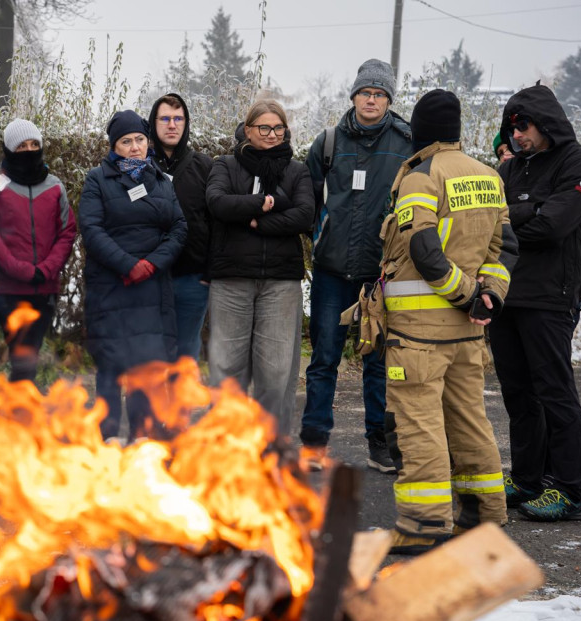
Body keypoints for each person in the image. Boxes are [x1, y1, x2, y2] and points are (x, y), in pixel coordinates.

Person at [380, 89, 517, 554]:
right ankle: (483, 518)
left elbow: (422, 248)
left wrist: (464, 296)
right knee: (470, 423)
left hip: (418, 335)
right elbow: (505, 250)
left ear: (420, 130)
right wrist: (488, 298)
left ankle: (423, 527)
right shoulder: (488, 176)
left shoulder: (421, 176)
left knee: (419, 428)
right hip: (468, 335)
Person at [492, 83, 581, 522]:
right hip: (506, 292)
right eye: (512, 127)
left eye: (524, 126)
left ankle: (569, 490)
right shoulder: (513, 167)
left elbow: (553, 226)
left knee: (554, 392)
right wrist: (528, 210)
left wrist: (516, 216)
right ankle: (527, 478)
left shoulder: (579, 162)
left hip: (551, 296)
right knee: (518, 394)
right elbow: (489, 221)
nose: (517, 135)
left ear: (546, 123)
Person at [300, 58, 413, 471]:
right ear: (353, 96)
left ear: (388, 100)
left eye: (379, 94)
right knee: (324, 359)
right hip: (331, 271)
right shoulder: (327, 142)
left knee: (378, 362)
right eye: (365, 92)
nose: (371, 99)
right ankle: (313, 443)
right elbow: (309, 200)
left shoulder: (407, 143)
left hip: (380, 274)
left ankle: (379, 445)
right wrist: (319, 237)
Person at [205, 99, 314, 437]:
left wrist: (256, 222)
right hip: (231, 281)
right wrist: (265, 203)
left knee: (277, 372)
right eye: (263, 127)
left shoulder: (297, 171)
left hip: (280, 284)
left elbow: (305, 214)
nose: (271, 134)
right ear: (248, 130)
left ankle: (272, 450)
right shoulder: (224, 165)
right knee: (226, 369)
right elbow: (218, 203)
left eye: (278, 128)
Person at [79, 110, 187, 440]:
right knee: (111, 363)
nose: (135, 147)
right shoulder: (97, 179)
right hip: (112, 286)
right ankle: (109, 436)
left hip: (151, 288)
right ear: (114, 146)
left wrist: (152, 264)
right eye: (126, 141)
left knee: (147, 364)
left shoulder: (160, 180)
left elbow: (179, 228)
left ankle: (142, 436)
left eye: (140, 139)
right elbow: (92, 229)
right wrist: (128, 264)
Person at [0, 119, 76, 383]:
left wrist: (47, 269)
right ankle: (23, 411)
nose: (29, 149)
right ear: (9, 150)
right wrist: (19, 269)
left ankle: (20, 409)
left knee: (28, 357)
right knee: (23, 357)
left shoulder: (55, 186)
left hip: (44, 288)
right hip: (8, 290)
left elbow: (67, 231)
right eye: (22, 145)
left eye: (34, 144)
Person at [148, 93, 213, 361]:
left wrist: (208, 273)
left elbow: (217, 223)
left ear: (186, 123)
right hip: (149, 278)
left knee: (185, 355)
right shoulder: (140, 165)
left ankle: (181, 405)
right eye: (165, 118)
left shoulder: (204, 166)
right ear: (153, 123)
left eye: (178, 118)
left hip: (192, 279)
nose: (172, 125)